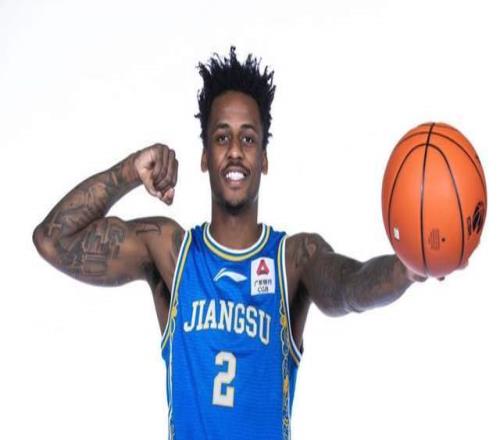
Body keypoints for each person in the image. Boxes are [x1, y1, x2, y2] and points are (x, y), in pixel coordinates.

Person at [32, 47, 424, 439]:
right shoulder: (172, 254)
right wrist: (130, 170)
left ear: (264, 158)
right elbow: (53, 240)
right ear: (205, 156)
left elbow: (350, 285)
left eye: (248, 139)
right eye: (222, 137)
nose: (235, 150)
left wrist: (403, 268)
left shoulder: (292, 260)